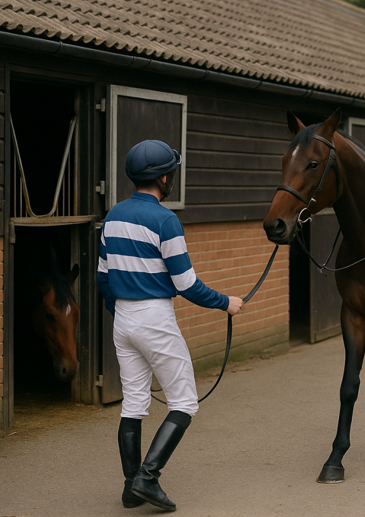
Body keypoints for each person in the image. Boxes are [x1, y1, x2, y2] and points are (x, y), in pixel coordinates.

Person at [97, 139, 243, 512]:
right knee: (184, 402)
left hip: (123, 319)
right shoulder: (166, 220)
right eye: (172, 172)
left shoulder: (112, 216)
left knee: (134, 403)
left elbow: (102, 279)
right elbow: (187, 285)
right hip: (154, 318)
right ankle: (148, 477)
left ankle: (131, 486)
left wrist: (123, 314)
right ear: (164, 177)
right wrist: (227, 303)